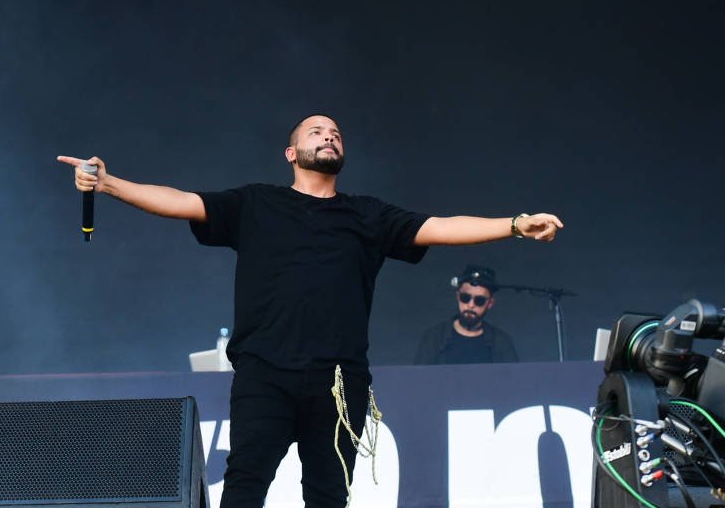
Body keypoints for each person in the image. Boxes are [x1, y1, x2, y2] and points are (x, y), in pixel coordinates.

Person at [57, 114, 563, 508]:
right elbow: (182, 202)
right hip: (264, 373)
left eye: (336, 133)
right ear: (291, 151)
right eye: (317, 131)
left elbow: (441, 226)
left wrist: (516, 223)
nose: (329, 136)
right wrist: (109, 185)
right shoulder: (257, 203)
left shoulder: (367, 215)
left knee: (327, 496)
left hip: (339, 382)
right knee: (244, 487)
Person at [414, 265, 518, 365]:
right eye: (465, 297)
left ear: (490, 303)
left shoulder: (501, 342)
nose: (470, 305)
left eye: (479, 300)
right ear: (458, 296)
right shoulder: (434, 338)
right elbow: (418, 380)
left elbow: (514, 380)